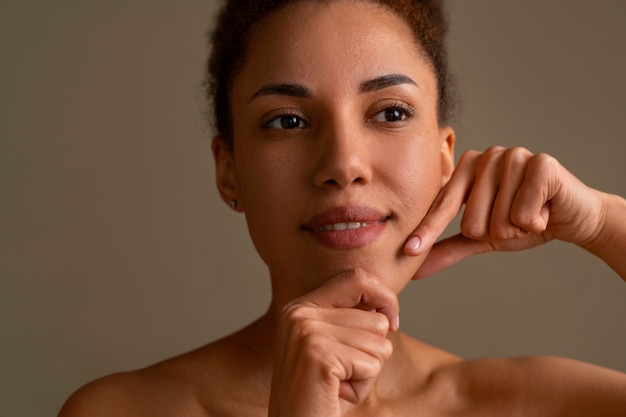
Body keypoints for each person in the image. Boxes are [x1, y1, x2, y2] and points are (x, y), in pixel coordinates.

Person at [59, 0, 626, 415]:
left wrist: (604, 223)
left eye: (391, 113)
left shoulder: (544, 404)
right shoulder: (121, 411)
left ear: (445, 157)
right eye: (288, 121)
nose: (343, 162)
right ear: (228, 169)